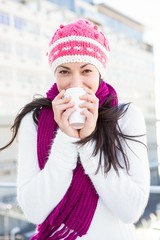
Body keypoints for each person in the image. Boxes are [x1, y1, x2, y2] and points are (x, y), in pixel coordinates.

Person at [0, 19, 150, 240]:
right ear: (55, 74)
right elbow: (34, 210)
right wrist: (66, 138)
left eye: (86, 70)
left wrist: (89, 141)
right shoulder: (35, 120)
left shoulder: (126, 117)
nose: (76, 83)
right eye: (65, 71)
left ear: (99, 71)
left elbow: (131, 210)